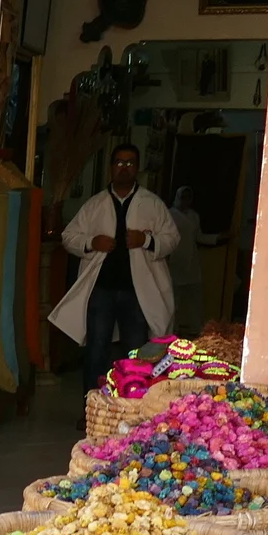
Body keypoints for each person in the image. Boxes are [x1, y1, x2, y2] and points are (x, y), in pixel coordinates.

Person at [49, 143, 182, 397]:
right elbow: (69, 236)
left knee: (137, 352)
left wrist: (147, 241)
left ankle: (133, 407)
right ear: (111, 167)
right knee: (97, 350)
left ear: (138, 168)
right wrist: (91, 243)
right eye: (119, 163)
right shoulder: (95, 204)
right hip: (102, 290)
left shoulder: (152, 204)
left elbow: (172, 238)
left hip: (137, 293)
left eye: (130, 163)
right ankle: (92, 405)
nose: (124, 168)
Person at [166, 186, 206, 337]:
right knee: (173, 302)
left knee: (194, 301)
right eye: (183, 197)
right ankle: (171, 332)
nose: (185, 201)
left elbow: (199, 237)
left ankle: (196, 331)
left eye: (188, 198)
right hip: (176, 263)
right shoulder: (170, 215)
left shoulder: (194, 216)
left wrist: (218, 237)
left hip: (192, 263)